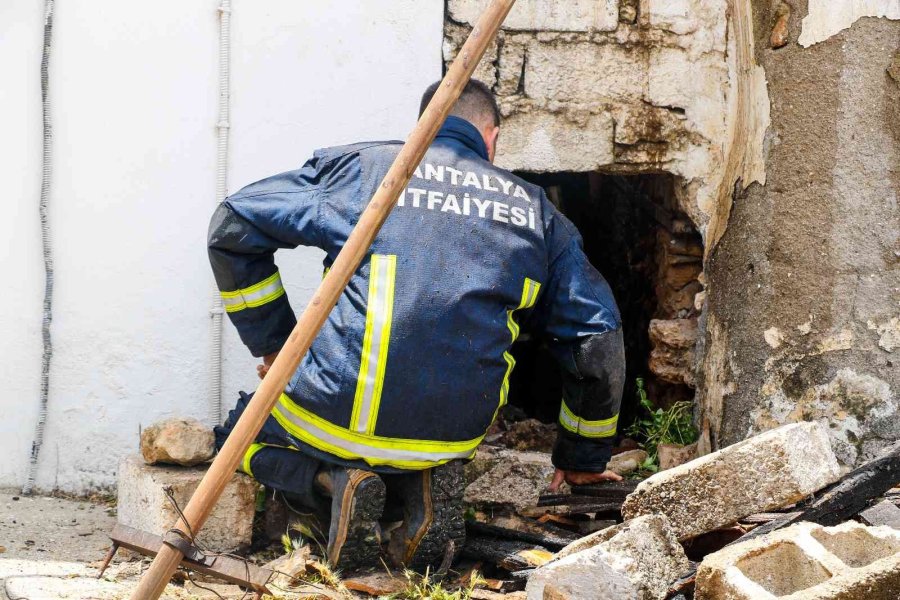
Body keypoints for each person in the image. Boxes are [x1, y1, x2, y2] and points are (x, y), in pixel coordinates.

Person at [207, 79, 625, 570]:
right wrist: (581, 461)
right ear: (491, 138)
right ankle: (417, 485)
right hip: (453, 438)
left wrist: (275, 342)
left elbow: (232, 227)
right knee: (417, 444)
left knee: (240, 431)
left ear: (422, 124)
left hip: (335, 418)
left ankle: (332, 483)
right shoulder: (536, 212)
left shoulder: (365, 172)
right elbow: (597, 339)